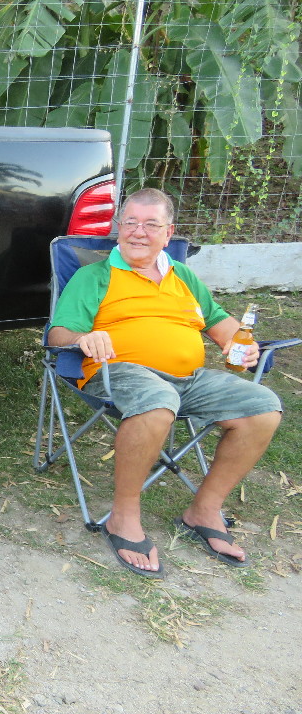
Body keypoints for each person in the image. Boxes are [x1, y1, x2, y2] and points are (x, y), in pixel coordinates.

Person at [48, 188, 282, 577]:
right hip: (119, 372)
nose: (138, 232)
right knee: (157, 401)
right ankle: (123, 517)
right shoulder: (95, 275)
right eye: (130, 222)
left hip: (188, 380)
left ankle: (203, 511)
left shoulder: (183, 275)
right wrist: (84, 338)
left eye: (151, 224)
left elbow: (218, 320)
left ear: (168, 232)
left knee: (263, 408)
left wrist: (238, 343)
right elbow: (58, 334)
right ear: (118, 227)